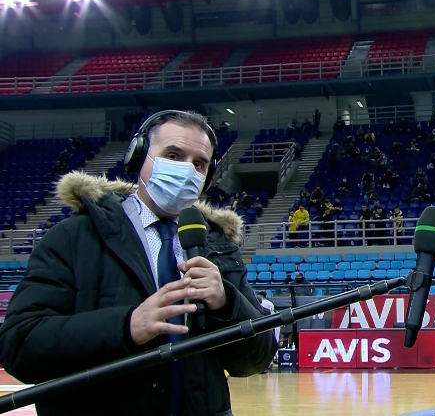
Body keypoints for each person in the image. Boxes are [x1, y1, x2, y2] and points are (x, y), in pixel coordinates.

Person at [0, 111, 277, 416]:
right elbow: (20, 345)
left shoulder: (220, 247)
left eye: (198, 164)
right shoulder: (73, 236)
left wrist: (226, 304)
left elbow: (257, 359)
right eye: (173, 155)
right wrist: (126, 326)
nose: (187, 170)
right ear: (138, 157)